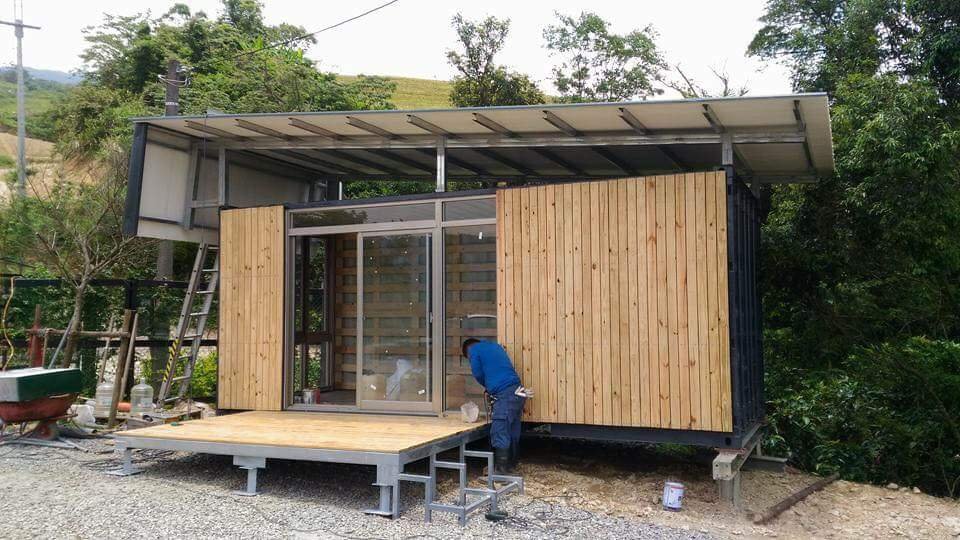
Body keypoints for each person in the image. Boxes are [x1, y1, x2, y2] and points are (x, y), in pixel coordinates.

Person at [462, 338, 532, 473]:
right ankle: (510, 465)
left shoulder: (474, 350)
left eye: (468, 358)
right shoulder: (495, 346)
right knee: (512, 429)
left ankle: (500, 470)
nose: (470, 359)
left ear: (468, 351)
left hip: (505, 393)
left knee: (500, 428)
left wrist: (489, 386)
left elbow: (478, 373)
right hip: (518, 391)